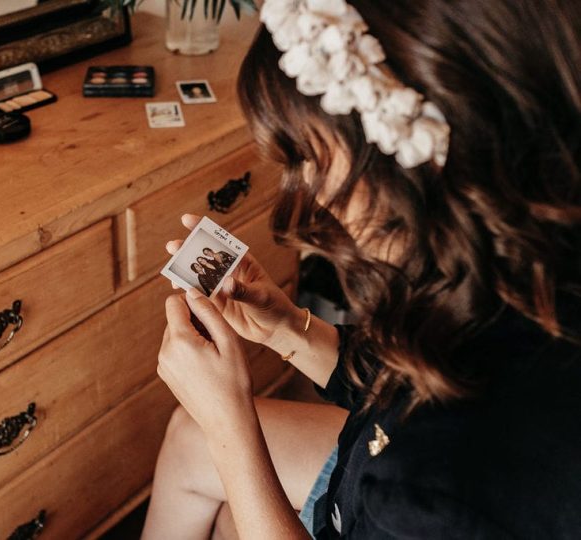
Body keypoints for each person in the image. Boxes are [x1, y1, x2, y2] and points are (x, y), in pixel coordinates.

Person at [143, 0, 581, 539]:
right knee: (196, 449)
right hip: (373, 463)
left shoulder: (438, 482)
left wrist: (229, 426)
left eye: (311, 155)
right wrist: (290, 329)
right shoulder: (525, 262)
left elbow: (428, 452)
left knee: (226, 493)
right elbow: (414, 376)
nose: (310, 192)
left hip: (393, 487)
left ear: (407, 152)